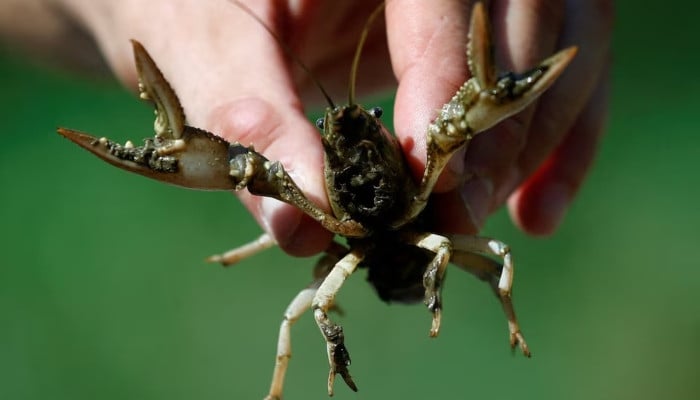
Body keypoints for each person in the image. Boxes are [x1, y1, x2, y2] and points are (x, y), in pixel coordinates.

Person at [0, 0, 613, 256]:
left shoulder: (421, 174)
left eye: (370, 125)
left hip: (428, 228)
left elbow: (449, 129)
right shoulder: (308, 192)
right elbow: (262, 174)